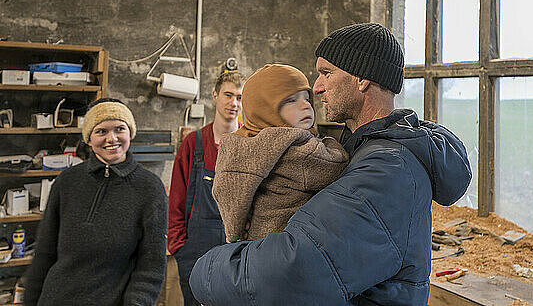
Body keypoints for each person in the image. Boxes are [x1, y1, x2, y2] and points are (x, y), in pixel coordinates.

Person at [189, 23, 472, 305]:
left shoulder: (387, 171)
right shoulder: (359, 149)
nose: (317, 87)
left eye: (326, 73)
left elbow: (291, 271)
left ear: (361, 80)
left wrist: (205, 269)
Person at [25, 98, 168, 305]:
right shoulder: (66, 182)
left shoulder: (150, 189)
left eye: (120, 129)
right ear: (89, 139)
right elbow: (44, 255)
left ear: (130, 133)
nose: (112, 138)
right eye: (101, 131)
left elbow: (151, 266)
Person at [213, 64, 348, 243]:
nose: (305, 105)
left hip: (257, 240)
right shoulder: (294, 148)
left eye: (306, 98)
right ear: (265, 109)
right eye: (291, 101)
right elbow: (337, 163)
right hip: (289, 244)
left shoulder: (240, 145)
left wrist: (234, 232)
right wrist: (330, 142)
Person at [168, 71, 244, 305]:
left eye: (240, 97)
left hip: (238, 250)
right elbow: (176, 199)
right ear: (215, 96)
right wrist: (179, 246)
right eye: (228, 95)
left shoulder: (251, 143)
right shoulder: (194, 143)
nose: (234, 103)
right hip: (195, 251)